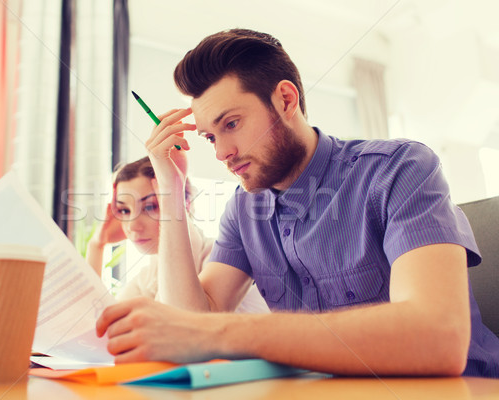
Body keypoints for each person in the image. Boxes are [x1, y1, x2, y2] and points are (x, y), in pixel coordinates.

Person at [96, 29, 499, 377]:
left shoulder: (398, 169)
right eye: (210, 137)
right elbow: (193, 320)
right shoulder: (244, 209)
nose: (222, 153)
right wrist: (169, 185)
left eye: (231, 124)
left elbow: (436, 337)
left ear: (286, 100)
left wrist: (222, 335)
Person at [86, 150, 269, 313]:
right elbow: (100, 329)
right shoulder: (148, 275)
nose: (133, 225)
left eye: (151, 207)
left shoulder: (226, 262)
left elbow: (175, 326)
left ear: (184, 203)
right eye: (125, 211)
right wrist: (97, 245)